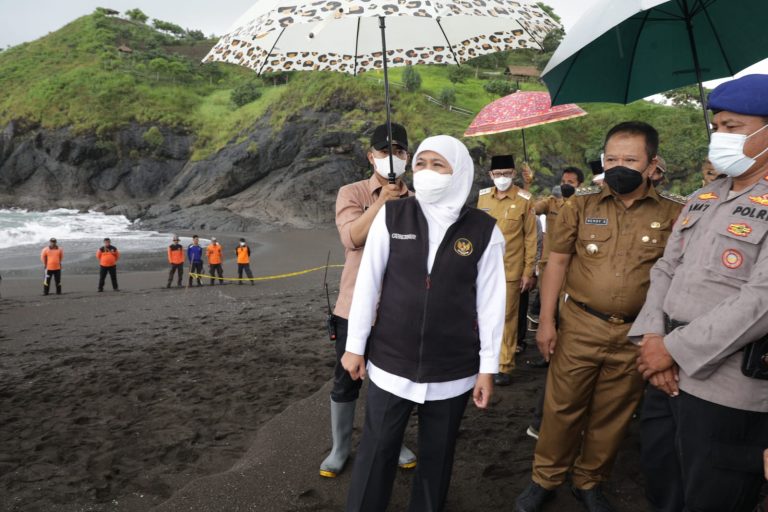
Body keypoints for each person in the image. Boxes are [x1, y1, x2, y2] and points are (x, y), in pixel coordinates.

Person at [515, 121, 684, 512]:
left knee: (613, 414)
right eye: (611, 159)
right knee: (561, 408)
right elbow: (557, 262)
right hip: (580, 325)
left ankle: (589, 481)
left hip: (636, 334)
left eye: (630, 160)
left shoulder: (674, 211)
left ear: (652, 164)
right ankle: (545, 478)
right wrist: (547, 321)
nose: (618, 167)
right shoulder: (581, 204)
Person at [341, 135, 506, 512]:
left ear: (458, 171)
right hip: (390, 363)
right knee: (376, 450)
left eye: (438, 164)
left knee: (437, 457)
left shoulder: (484, 230)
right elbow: (368, 284)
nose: (427, 172)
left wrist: (488, 369)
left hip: (453, 370)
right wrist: (354, 347)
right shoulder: (392, 215)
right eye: (421, 163)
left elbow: (492, 304)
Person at [631, 74, 768, 512]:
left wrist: (673, 350)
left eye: (733, 127)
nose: (719, 137)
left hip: (727, 389)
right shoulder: (702, 198)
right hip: (663, 374)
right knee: (663, 487)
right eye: (716, 127)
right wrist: (653, 337)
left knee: (712, 498)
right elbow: (665, 268)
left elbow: (760, 301)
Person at [320, 122, 416, 479]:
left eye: (399, 151)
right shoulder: (352, 192)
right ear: (370, 156)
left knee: (394, 381)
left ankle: (393, 441)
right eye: (384, 151)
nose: (392, 157)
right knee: (347, 378)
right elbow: (352, 238)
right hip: (354, 307)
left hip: (400, 309)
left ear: (408, 156)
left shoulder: (418, 200)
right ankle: (340, 448)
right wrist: (381, 203)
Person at [525, 166, 586, 439]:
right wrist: (528, 185)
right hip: (549, 266)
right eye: (563, 181)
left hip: (573, 271)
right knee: (546, 315)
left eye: (571, 182)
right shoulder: (551, 203)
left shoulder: (583, 204)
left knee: (563, 317)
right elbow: (529, 209)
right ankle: (547, 354)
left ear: (580, 184)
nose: (566, 185)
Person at [477, 154, 537, 386]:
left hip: (510, 270)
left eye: (506, 173)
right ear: (491, 175)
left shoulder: (524, 199)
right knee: (484, 315)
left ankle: (504, 365)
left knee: (507, 318)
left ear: (513, 174)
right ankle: (485, 360)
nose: (502, 178)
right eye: (498, 174)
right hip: (484, 269)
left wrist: (528, 271)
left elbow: (530, 237)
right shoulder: (483, 197)